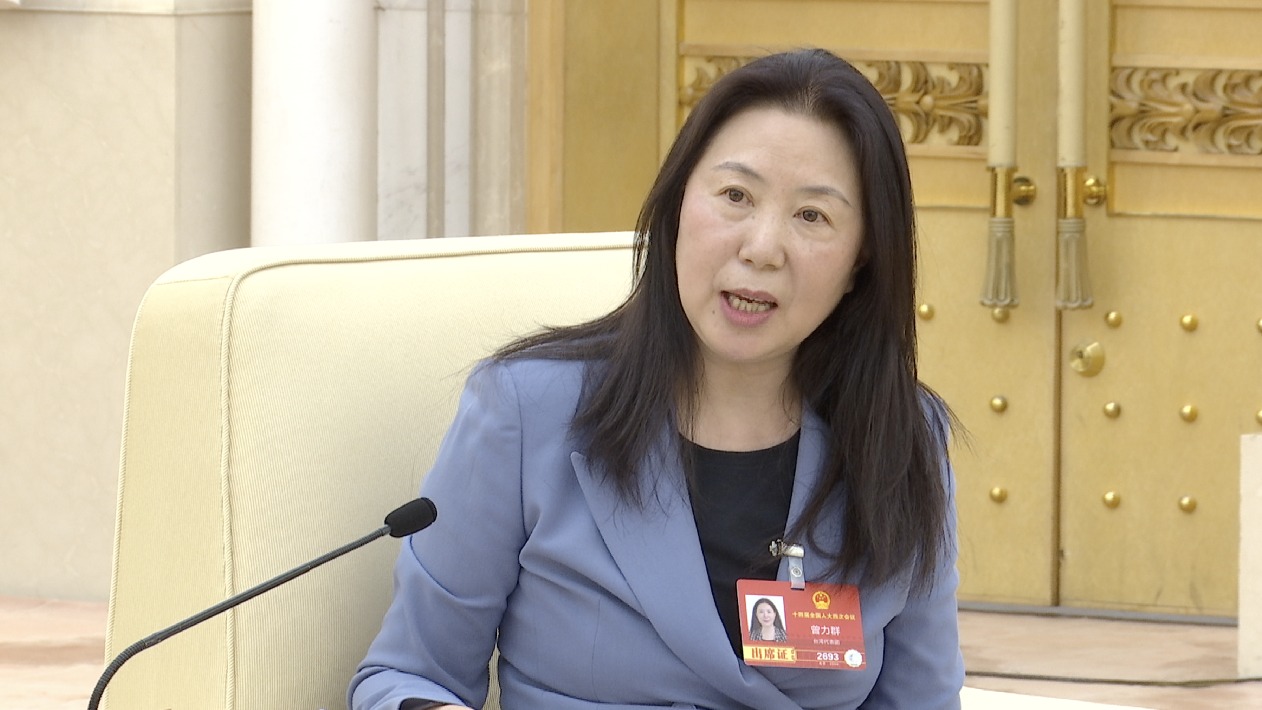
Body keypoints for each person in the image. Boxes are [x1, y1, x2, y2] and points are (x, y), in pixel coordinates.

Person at [350, 48, 964, 710]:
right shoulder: (527, 410)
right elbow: (407, 676)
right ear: (677, 206)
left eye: (812, 216)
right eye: (735, 196)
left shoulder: (901, 437)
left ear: (862, 258)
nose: (762, 247)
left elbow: (921, 701)